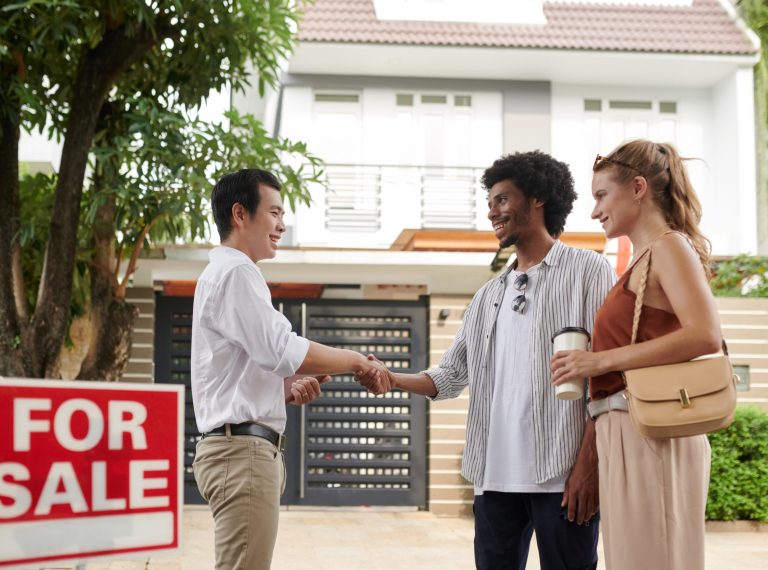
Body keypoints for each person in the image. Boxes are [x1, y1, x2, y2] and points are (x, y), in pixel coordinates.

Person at [381, 151, 616, 569]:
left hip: (562, 474)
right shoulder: (488, 295)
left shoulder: (589, 270)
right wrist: (390, 377)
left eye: (503, 199)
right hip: (493, 479)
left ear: (538, 199)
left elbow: (607, 372)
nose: (493, 211)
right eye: (490, 202)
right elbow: (451, 376)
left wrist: (588, 465)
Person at [191, 168, 389, 570]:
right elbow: (281, 349)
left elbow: (231, 375)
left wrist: (282, 389)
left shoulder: (225, 274)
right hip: (241, 454)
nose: (282, 225)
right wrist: (354, 361)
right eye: (275, 213)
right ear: (240, 214)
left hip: (239, 449)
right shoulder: (236, 272)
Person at [550, 140, 721, 569]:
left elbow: (705, 336)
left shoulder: (668, 247)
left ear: (639, 188)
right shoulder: (645, 258)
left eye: (601, 195)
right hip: (629, 429)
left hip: (650, 431)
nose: (594, 211)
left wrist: (599, 361)